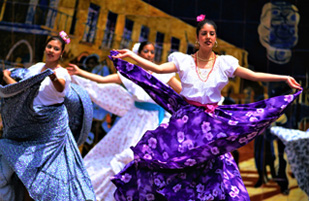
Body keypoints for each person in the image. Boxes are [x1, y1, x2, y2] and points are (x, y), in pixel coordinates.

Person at [109, 15, 302, 201]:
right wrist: (131, 57)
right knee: (172, 164)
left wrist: (283, 77)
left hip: (210, 125)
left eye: (211, 33)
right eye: (204, 33)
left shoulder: (224, 63)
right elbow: (158, 70)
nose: (208, 37)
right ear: (197, 38)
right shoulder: (183, 61)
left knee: (215, 167)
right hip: (185, 123)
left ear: (215, 38)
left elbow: (252, 75)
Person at [66, 41, 182, 201]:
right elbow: (102, 80)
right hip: (134, 121)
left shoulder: (163, 74)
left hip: (155, 121)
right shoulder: (131, 73)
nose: (149, 54)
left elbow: (184, 92)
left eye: (152, 52)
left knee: (144, 159)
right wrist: (80, 72)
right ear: (138, 53)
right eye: (146, 51)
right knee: (121, 157)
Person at [0, 31, 95, 200]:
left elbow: (60, 87)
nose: (51, 50)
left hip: (48, 132)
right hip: (27, 125)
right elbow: (22, 88)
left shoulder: (62, 74)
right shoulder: (36, 67)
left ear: (61, 53)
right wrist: (7, 78)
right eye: (49, 46)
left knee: (46, 178)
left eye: (56, 48)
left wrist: (51, 76)